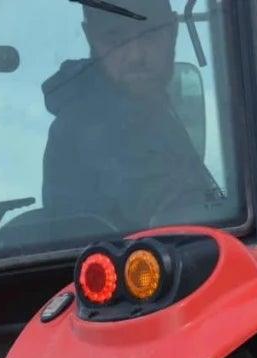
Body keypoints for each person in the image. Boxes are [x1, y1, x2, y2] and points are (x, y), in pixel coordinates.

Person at [41, 1, 224, 229]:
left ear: (173, 31)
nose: (136, 55)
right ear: (90, 38)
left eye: (150, 33)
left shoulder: (155, 116)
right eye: (115, 38)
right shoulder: (81, 133)